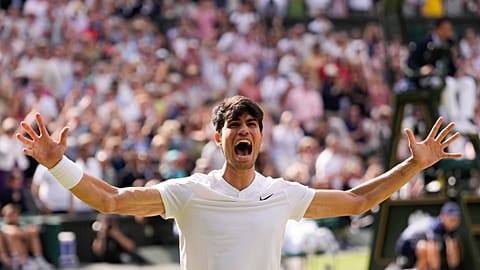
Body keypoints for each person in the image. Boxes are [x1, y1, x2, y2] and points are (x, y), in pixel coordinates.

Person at [16, 95, 462, 270]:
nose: (244, 130)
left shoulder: (283, 194)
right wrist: (58, 163)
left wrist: (415, 165)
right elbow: (111, 200)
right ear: (218, 137)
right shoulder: (189, 191)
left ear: (261, 136)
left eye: (252, 124)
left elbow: (358, 199)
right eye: (234, 124)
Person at [403, 18, 478, 134]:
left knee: (468, 83)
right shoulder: (424, 42)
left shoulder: (450, 43)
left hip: (447, 79)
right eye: (446, 29)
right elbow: (410, 64)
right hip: (427, 81)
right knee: (449, 84)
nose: (449, 31)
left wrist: (459, 71)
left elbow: (451, 68)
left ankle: (465, 118)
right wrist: (422, 70)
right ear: (438, 29)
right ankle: (454, 120)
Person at [395, 202, 462, 270]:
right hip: (406, 244)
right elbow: (432, 250)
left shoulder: (451, 228)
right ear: (443, 216)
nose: (454, 223)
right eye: (452, 219)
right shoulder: (436, 226)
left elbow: (452, 250)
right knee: (425, 247)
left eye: (456, 220)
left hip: (417, 245)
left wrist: (455, 268)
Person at [0, 203, 53, 270]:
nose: (13, 216)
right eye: (10, 214)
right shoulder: (2, 225)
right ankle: (19, 261)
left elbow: (33, 230)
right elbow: (12, 232)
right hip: (9, 257)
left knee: (32, 236)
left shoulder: (21, 223)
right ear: (5, 215)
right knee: (13, 236)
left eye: (15, 213)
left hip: (25, 252)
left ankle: (38, 258)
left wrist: (22, 233)